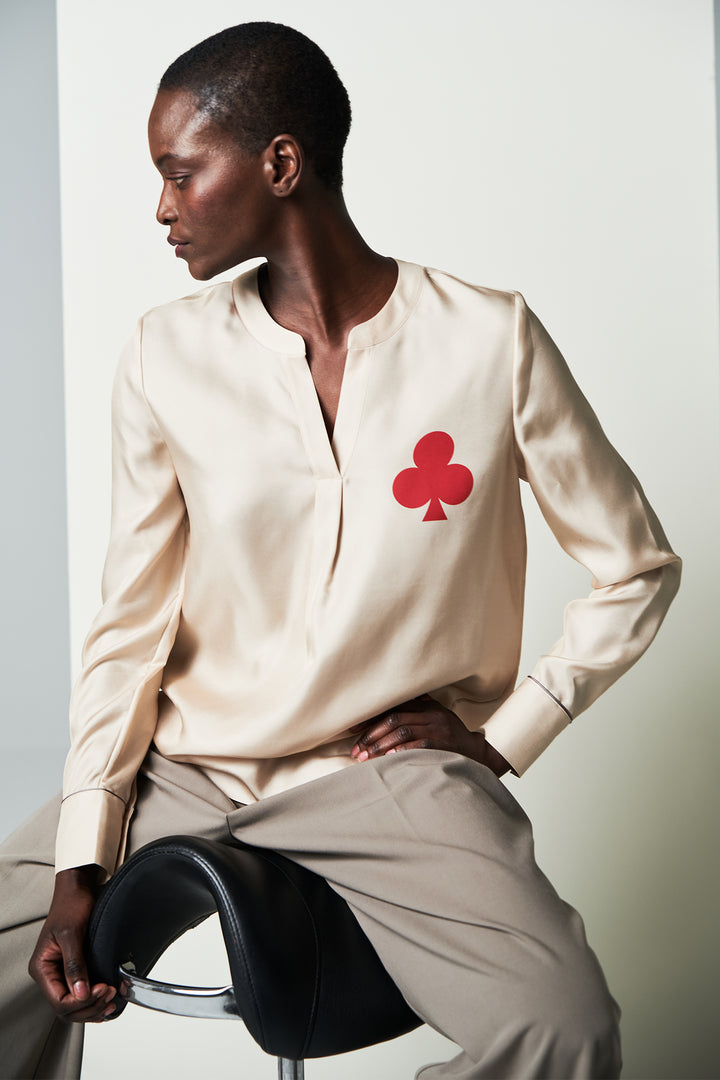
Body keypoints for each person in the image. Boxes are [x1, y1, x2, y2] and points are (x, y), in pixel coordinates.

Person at [0, 21, 680, 1080]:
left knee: (565, 1023)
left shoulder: (486, 341)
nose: (164, 207)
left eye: (182, 172)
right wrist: (86, 852)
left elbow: (637, 566)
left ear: (280, 162)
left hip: (382, 776)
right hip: (189, 763)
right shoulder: (166, 355)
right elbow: (130, 627)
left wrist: (505, 735)